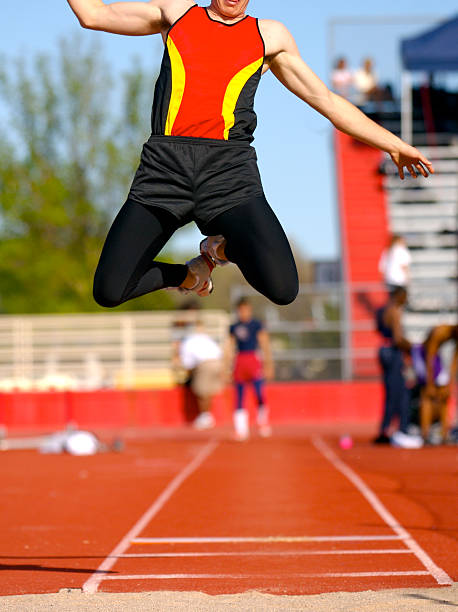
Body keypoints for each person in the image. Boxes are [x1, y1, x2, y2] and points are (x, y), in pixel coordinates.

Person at [66, 0, 434, 308]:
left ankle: (220, 249)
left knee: (283, 288)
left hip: (227, 174)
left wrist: (394, 144)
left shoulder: (268, 36)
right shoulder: (177, 13)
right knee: (109, 290)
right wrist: (183, 276)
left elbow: (327, 102)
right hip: (164, 171)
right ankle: (191, 274)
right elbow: (92, 15)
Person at [374, 287, 423, 448]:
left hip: (383, 351)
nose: (405, 300)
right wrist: (413, 346)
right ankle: (401, 430)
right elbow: (398, 338)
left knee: (390, 393)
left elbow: (379, 330)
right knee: (401, 393)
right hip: (393, 353)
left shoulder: (383, 310)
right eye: (405, 297)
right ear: (399, 296)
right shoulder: (395, 310)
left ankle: (385, 430)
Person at [226, 298, 273, 440]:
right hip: (240, 360)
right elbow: (229, 347)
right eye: (241, 310)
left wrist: (268, 364)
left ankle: (262, 422)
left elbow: (265, 344)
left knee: (259, 392)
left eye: (245, 309)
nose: (243, 312)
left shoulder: (256, 325)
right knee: (239, 395)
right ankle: (241, 429)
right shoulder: (234, 327)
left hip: (253, 359)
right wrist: (226, 367)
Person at [178, 321, 224, 429]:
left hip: (205, 364)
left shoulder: (188, 341)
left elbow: (187, 364)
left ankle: (205, 416)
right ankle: (206, 415)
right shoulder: (205, 338)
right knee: (208, 391)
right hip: (217, 362)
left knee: (201, 392)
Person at [417, 325, 458, 443]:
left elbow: (454, 362)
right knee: (427, 396)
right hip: (423, 355)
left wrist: (451, 384)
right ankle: (425, 434)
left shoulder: (455, 335)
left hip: (436, 359)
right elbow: (430, 357)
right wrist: (430, 384)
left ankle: (445, 434)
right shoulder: (439, 332)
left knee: (445, 394)